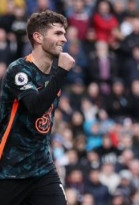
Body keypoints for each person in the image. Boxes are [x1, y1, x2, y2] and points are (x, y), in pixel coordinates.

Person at [0, 10, 75, 205]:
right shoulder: (19, 70)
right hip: (9, 171)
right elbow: (35, 106)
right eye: (58, 33)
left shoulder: (53, 74)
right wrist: (62, 73)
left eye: (64, 33)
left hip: (42, 170)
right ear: (38, 37)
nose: (64, 39)